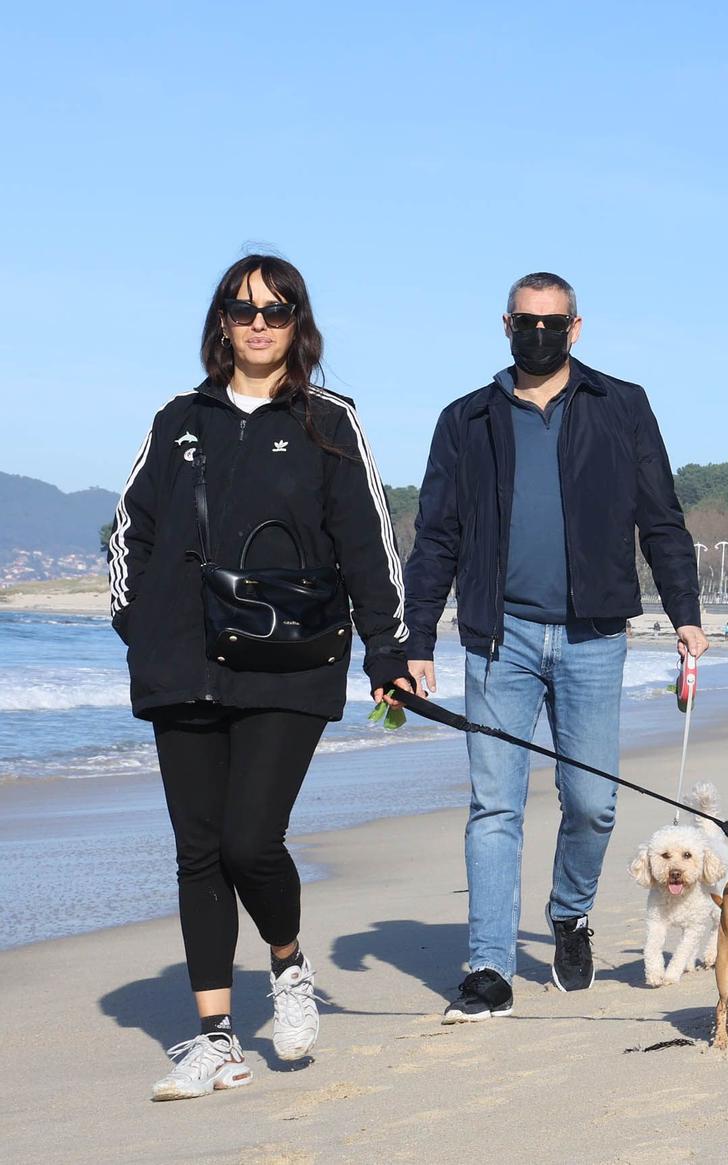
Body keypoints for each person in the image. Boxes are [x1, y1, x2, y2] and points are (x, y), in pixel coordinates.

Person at [109, 255, 410, 1099]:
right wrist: (140, 626)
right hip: (182, 663)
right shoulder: (178, 419)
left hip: (291, 659)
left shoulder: (328, 420)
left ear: (296, 323)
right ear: (222, 322)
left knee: (250, 840)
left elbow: (368, 543)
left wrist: (388, 651)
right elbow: (129, 530)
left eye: (276, 310)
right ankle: (214, 1040)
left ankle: (288, 965)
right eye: (243, 310)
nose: (258, 323)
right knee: (198, 852)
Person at [403, 272, 706, 1023]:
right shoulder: (465, 419)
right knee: (494, 807)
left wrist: (685, 610)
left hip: (593, 636)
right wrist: (414, 636)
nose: (537, 333)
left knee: (593, 804)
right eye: (524, 322)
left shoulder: (622, 407)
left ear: (575, 328)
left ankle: (570, 915)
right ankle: (488, 966)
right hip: (496, 639)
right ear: (506, 324)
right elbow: (436, 533)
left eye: (552, 322)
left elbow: (660, 517)